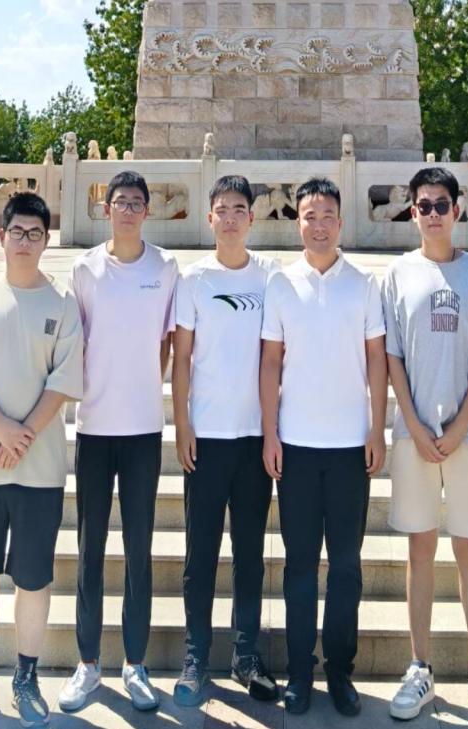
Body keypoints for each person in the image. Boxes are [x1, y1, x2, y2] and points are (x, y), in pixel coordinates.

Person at [0, 192, 83, 729]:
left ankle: (26, 678)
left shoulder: (63, 304)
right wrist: (3, 430)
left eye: (35, 233)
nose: (25, 241)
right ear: (1, 237)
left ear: (47, 241)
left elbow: (65, 380)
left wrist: (22, 436)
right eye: (18, 232)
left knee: (33, 580)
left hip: (39, 470)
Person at [381, 167, 468, 726]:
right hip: (413, 435)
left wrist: (459, 426)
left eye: (441, 204)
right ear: (412, 212)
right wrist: (412, 423)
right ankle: (420, 666)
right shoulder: (396, 275)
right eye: (423, 205)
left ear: (457, 209)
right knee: (420, 551)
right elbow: (391, 356)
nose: (433, 213)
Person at [259, 177, 388, 717]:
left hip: (349, 448)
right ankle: (298, 671)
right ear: (298, 222)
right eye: (309, 216)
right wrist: (270, 433)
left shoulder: (364, 284)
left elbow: (377, 359)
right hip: (296, 446)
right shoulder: (281, 284)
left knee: (346, 568)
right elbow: (270, 362)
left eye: (327, 216)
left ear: (341, 222)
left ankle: (339, 670)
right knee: (298, 566)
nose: (318, 225)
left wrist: (377, 429)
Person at [59, 171, 179, 713]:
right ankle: (87, 663)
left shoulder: (165, 268)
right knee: (90, 549)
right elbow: (75, 342)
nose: (127, 209)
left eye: (136, 202)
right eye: (119, 201)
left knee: (138, 550)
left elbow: (166, 343)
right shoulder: (85, 269)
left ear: (147, 211)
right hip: (94, 425)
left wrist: (145, 384)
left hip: (143, 429)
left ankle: (135, 662)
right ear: (105, 208)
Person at [171, 175, 280, 706]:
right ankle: (195, 654)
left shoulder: (270, 278)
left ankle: (245, 653)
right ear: (209, 217)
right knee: (201, 553)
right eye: (222, 209)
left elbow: (276, 357)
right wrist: (182, 424)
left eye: (240, 209)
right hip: (207, 438)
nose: (231, 218)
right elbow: (181, 359)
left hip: (255, 438)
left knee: (250, 553)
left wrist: (273, 432)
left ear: (252, 219)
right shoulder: (193, 280)